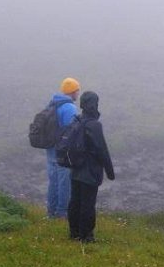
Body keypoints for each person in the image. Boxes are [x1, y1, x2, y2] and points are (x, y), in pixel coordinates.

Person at [68, 90, 115, 243]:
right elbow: (102, 150)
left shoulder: (77, 120)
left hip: (75, 169)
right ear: (94, 104)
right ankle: (86, 236)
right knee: (88, 203)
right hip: (90, 171)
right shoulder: (94, 125)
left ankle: (74, 233)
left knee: (75, 201)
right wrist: (110, 172)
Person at [45, 77, 80, 218]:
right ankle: (62, 213)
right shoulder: (70, 107)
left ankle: (51, 212)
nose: (78, 94)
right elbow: (72, 131)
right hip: (63, 152)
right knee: (64, 182)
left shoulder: (52, 104)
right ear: (73, 91)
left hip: (50, 149)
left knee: (53, 181)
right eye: (77, 91)